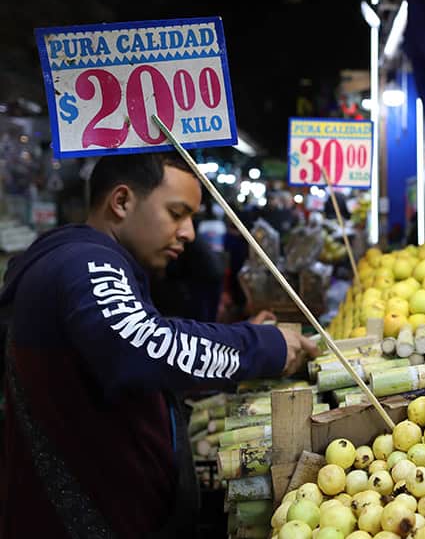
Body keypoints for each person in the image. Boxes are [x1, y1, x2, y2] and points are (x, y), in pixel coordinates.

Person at [0, 152, 320, 539]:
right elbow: (140, 346)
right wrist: (263, 346)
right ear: (121, 202)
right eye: (176, 213)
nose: (188, 233)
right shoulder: (83, 262)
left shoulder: (101, 262)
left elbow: (139, 343)